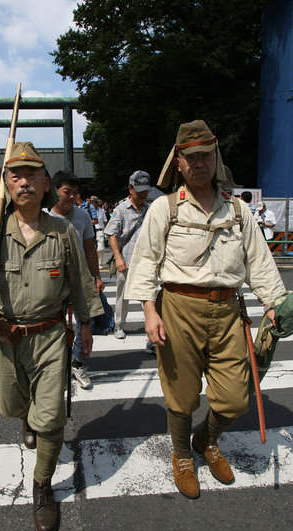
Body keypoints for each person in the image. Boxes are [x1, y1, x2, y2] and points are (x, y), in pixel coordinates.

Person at [125, 120, 286, 499]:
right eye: (190, 157)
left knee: (235, 398)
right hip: (178, 308)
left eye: (205, 155)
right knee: (181, 395)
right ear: (178, 162)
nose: (198, 163)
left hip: (229, 311)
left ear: (216, 158)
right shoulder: (165, 209)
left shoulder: (238, 211)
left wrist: (274, 304)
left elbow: (259, 261)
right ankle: (182, 454)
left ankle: (205, 438)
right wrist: (150, 310)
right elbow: (146, 261)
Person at [0, 142, 102, 531]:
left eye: (31, 175)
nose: (23, 182)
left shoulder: (61, 232)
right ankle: (26, 414)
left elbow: (79, 281)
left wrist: (88, 325)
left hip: (50, 337)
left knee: (52, 418)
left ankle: (42, 486)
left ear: (45, 184)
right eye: (15, 175)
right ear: (6, 185)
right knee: (11, 404)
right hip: (6, 337)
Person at [49, 171, 105, 390]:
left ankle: (78, 362)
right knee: (54, 322)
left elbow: (90, 249)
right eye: (66, 192)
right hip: (53, 281)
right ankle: (57, 363)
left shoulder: (82, 216)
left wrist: (96, 276)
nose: (71, 197)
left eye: (75, 193)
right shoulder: (45, 216)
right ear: (54, 191)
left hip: (80, 279)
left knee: (86, 321)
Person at [104, 170, 150, 340]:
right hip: (126, 259)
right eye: (140, 190)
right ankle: (119, 325)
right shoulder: (121, 209)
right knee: (122, 295)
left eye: (146, 190)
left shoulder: (150, 209)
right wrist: (118, 257)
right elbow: (112, 234)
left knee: (147, 294)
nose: (143, 194)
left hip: (145, 260)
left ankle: (150, 326)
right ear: (130, 189)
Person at [90, 196, 108, 267]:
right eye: (91, 202)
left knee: (101, 248)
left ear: (96, 203)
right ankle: (94, 263)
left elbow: (105, 222)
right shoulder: (88, 211)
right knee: (91, 248)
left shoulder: (102, 211)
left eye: (93, 202)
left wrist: (106, 232)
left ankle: (99, 263)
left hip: (100, 231)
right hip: (91, 231)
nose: (92, 204)